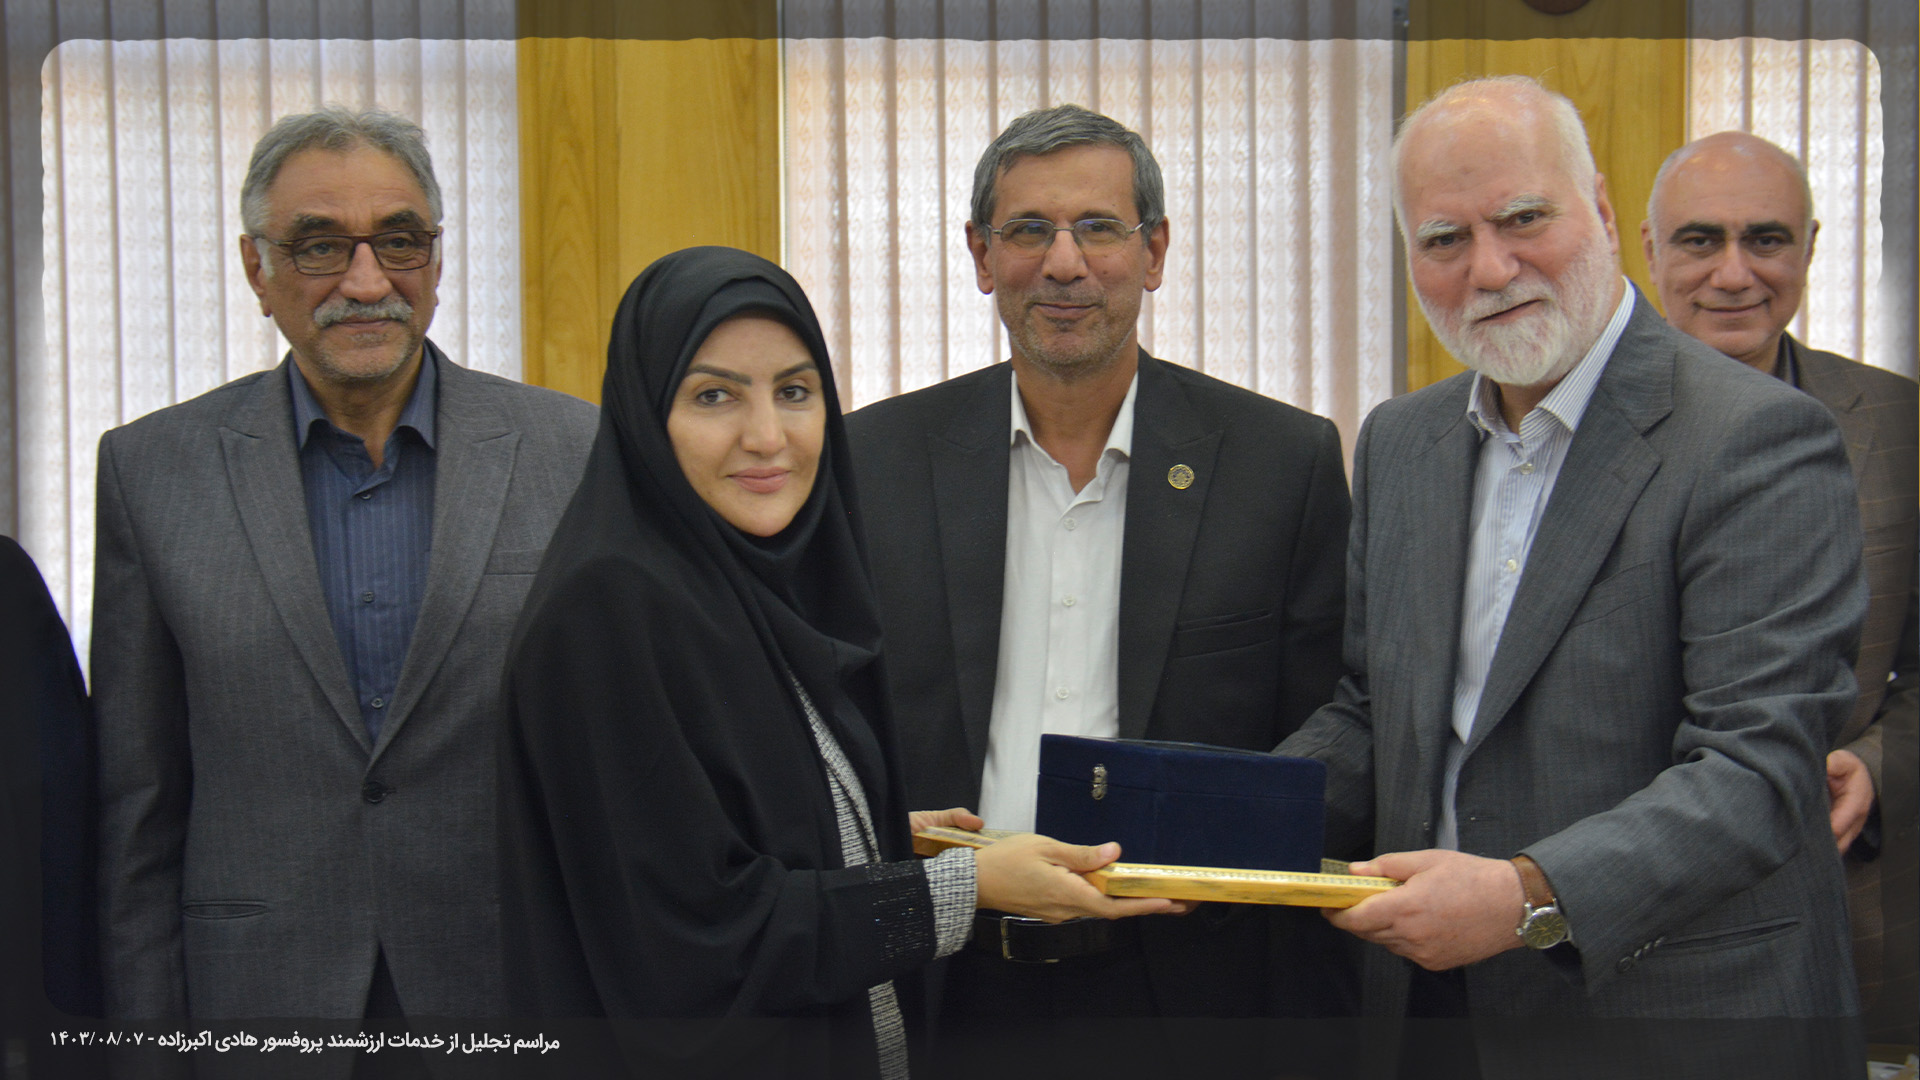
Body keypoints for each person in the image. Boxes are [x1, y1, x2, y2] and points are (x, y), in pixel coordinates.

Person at [1276, 76, 1865, 1077]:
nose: (1490, 268)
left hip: (1673, 1019)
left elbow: (1756, 771)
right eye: (1444, 238)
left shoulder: (1758, 438)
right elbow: (1378, 712)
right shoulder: (1401, 442)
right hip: (1431, 1011)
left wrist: (1523, 897)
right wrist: (1203, 822)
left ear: (1599, 209)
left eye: (1523, 219)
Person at [497, 245, 1182, 1080]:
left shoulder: (746, 585)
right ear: (646, 415)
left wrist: (872, 831)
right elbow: (693, 940)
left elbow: (719, 819)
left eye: (795, 391)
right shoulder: (608, 611)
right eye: (714, 395)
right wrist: (967, 888)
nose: (767, 436)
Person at [92, 107, 598, 1040]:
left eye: (398, 241)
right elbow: (140, 807)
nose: (367, 282)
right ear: (258, 270)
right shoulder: (151, 471)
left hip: (512, 995)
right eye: (320, 246)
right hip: (258, 1004)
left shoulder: (573, 450)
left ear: (435, 261)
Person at [844, 104, 1354, 1029]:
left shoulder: (1283, 464)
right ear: (981, 254)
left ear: (1154, 252)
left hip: (1192, 987)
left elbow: (1333, 724)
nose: (1064, 263)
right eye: (1028, 230)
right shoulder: (870, 464)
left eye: (1099, 228)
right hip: (945, 981)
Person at [1642, 130, 1918, 1048]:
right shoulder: (1561, 426)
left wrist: (1876, 767)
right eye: (1699, 240)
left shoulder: (1902, 424)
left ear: (1810, 246)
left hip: (1837, 906)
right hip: (1615, 924)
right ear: (1649, 248)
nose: (1734, 273)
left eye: (1766, 239)